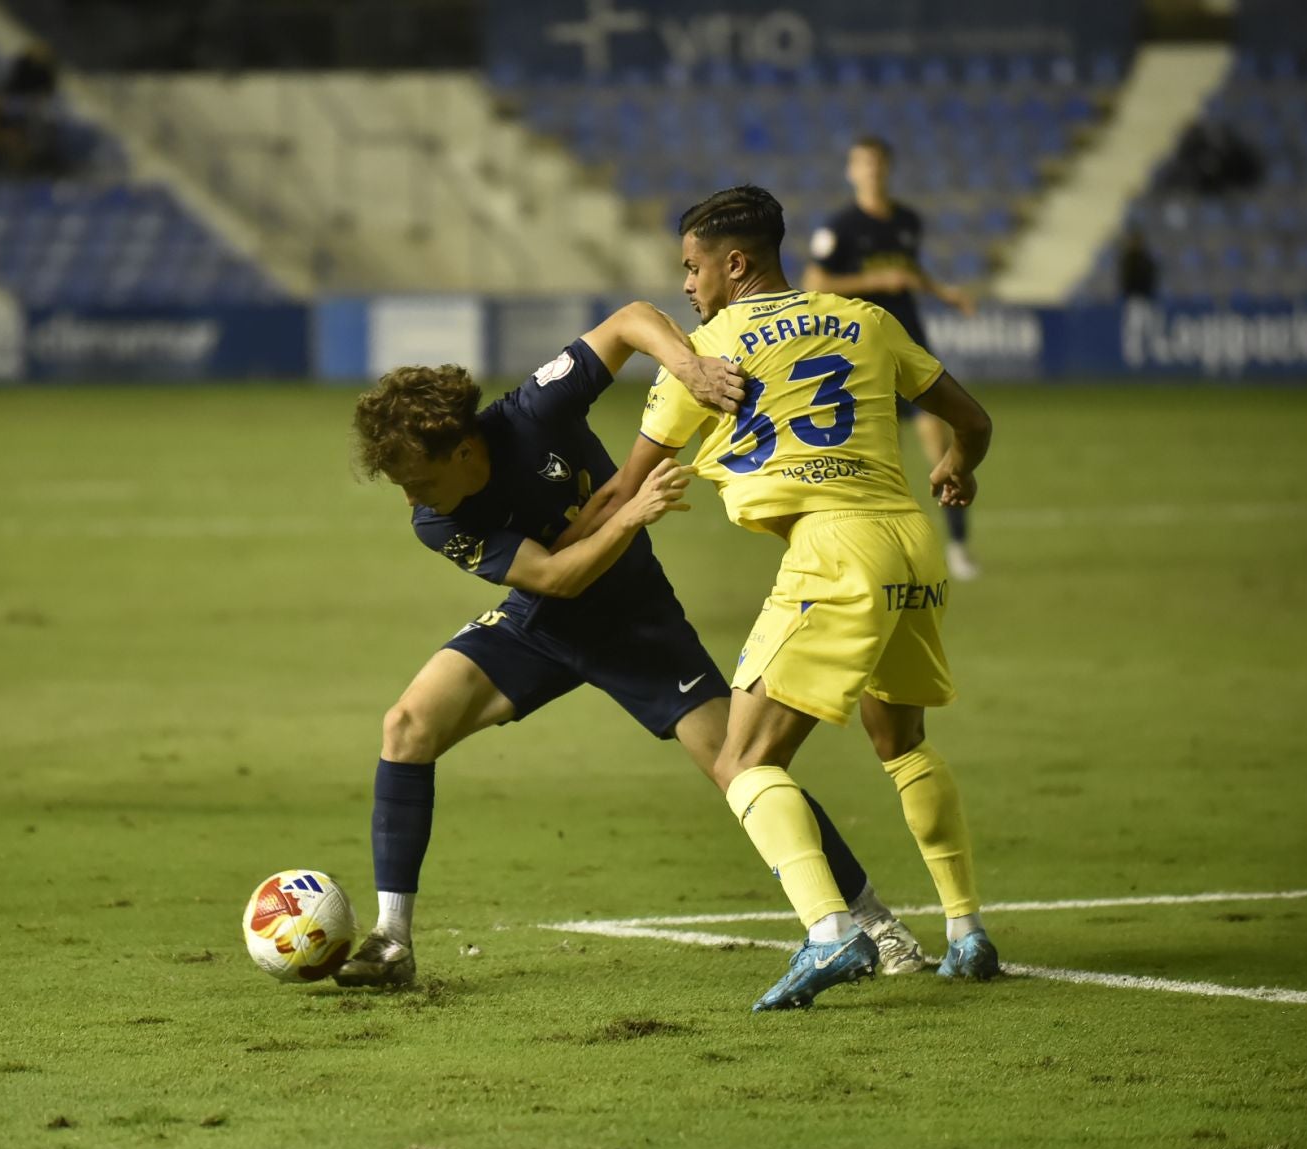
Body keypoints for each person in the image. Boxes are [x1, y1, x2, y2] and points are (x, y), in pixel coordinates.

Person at [338, 302, 931, 987]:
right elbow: (556, 578)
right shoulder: (434, 522)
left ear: (465, 449)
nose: (412, 497)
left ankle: (872, 922)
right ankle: (392, 940)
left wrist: (691, 368)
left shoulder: (532, 412)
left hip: (633, 622)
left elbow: (628, 322)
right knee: (406, 726)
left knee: (742, 766)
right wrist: (629, 513)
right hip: (542, 620)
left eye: (419, 478)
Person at [576, 186, 998, 1011]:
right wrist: (956, 466)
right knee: (901, 738)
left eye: (694, 268)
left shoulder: (707, 351)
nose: (688, 286)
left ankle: (829, 933)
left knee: (743, 759)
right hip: (910, 544)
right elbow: (973, 420)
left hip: (834, 552)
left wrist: (554, 540)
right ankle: (966, 930)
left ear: (737, 264)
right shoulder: (865, 320)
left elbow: (624, 489)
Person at [803, 136, 981, 582]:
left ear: (887, 168)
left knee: (939, 444)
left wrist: (944, 292)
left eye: (878, 164)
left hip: (912, 346)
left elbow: (911, 272)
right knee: (884, 459)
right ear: (852, 171)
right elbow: (815, 283)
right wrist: (875, 279)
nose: (871, 171)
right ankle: (886, 551)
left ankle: (958, 548)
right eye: (863, 164)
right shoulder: (839, 227)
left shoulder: (907, 222)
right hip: (866, 352)